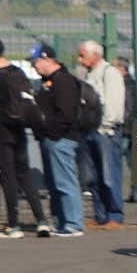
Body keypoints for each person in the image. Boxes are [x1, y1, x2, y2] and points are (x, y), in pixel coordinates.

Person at [0, 37, 48, 239]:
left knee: (7, 177)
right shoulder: (18, 72)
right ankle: (41, 221)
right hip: (18, 128)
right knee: (24, 174)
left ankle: (13, 225)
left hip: (0, 130)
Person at [29, 45, 90, 236]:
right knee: (54, 183)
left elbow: (66, 113)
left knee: (65, 182)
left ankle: (73, 223)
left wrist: (52, 132)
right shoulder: (48, 81)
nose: (34, 66)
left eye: (36, 62)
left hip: (61, 138)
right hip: (50, 138)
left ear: (47, 59)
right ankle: (61, 220)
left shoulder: (63, 81)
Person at [74, 41, 128, 228]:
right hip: (89, 129)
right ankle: (100, 214)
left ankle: (115, 215)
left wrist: (106, 124)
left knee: (109, 174)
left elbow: (114, 102)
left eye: (83, 55)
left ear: (95, 55)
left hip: (105, 131)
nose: (79, 59)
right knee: (93, 176)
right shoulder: (87, 74)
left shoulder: (110, 73)